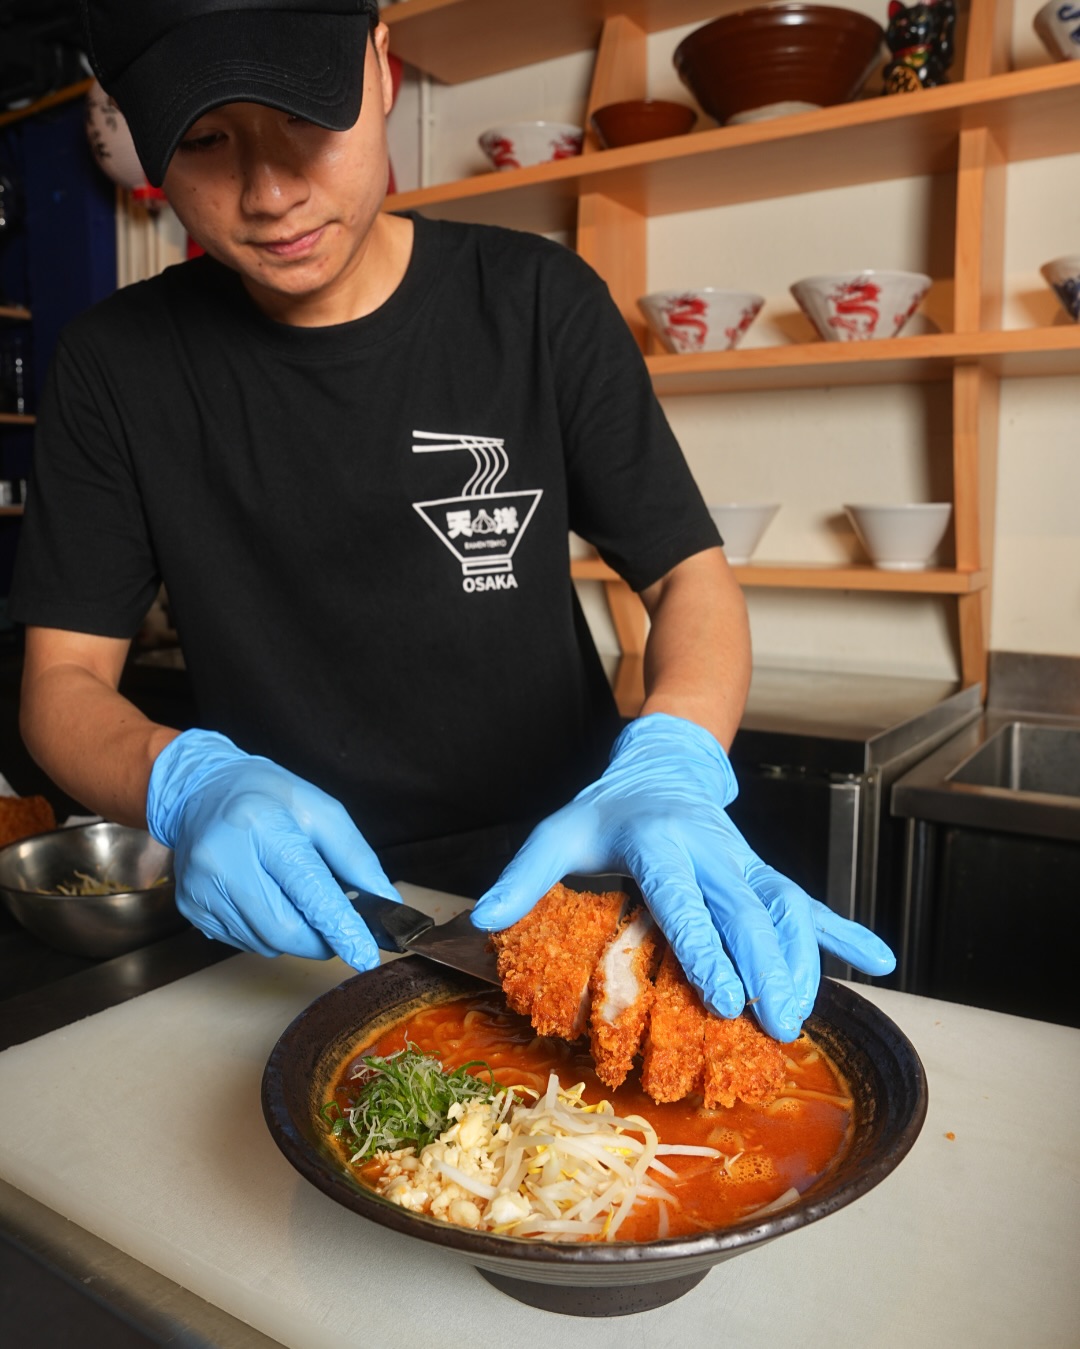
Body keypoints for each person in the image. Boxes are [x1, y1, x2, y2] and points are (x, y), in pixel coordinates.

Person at [9, 0, 894, 1043]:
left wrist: (674, 756)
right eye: (205, 142)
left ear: (382, 70)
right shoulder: (118, 366)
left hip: (559, 876)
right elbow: (60, 684)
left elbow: (687, 576)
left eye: (305, 117)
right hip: (298, 909)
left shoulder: (535, 304)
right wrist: (182, 782)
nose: (270, 191)